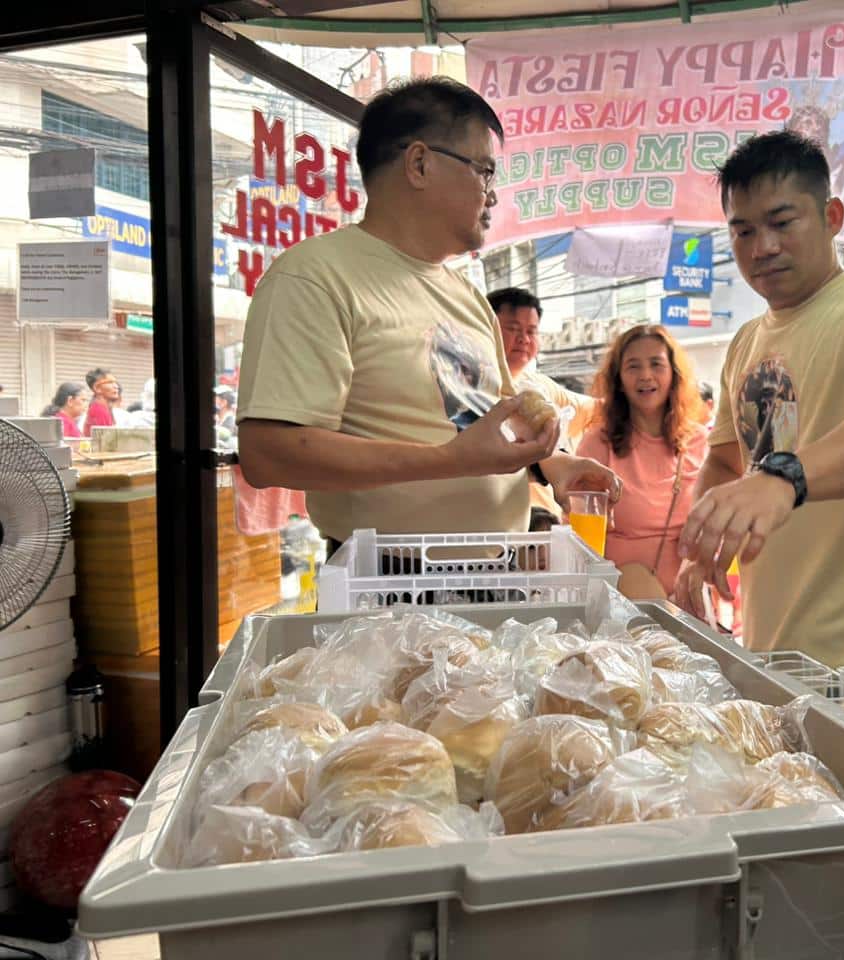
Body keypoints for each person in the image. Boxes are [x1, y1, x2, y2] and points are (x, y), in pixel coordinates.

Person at [236, 77, 617, 546]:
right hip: (387, 592)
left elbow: (495, 423)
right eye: (484, 170)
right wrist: (453, 460)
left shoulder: (466, 295)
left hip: (496, 578)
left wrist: (557, 465)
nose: (492, 194)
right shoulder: (315, 277)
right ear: (419, 163)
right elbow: (268, 453)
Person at [673, 131, 844, 674]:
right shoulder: (746, 340)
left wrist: (783, 479)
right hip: (768, 644)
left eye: (781, 222)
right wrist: (704, 544)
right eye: (743, 230)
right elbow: (728, 461)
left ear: (832, 215)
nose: (762, 247)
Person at [577, 325, 708, 598]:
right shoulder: (597, 443)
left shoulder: (700, 441)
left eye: (656, 364)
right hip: (619, 603)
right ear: (619, 380)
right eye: (633, 366)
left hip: (691, 603)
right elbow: (580, 536)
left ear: (674, 374)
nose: (645, 376)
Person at [486, 286, 599, 524]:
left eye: (531, 331)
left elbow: (597, 411)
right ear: (487, 328)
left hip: (547, 528)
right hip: (494, 529)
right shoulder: (469, 388)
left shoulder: (542, 387)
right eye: (513, 329)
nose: (524, 339)